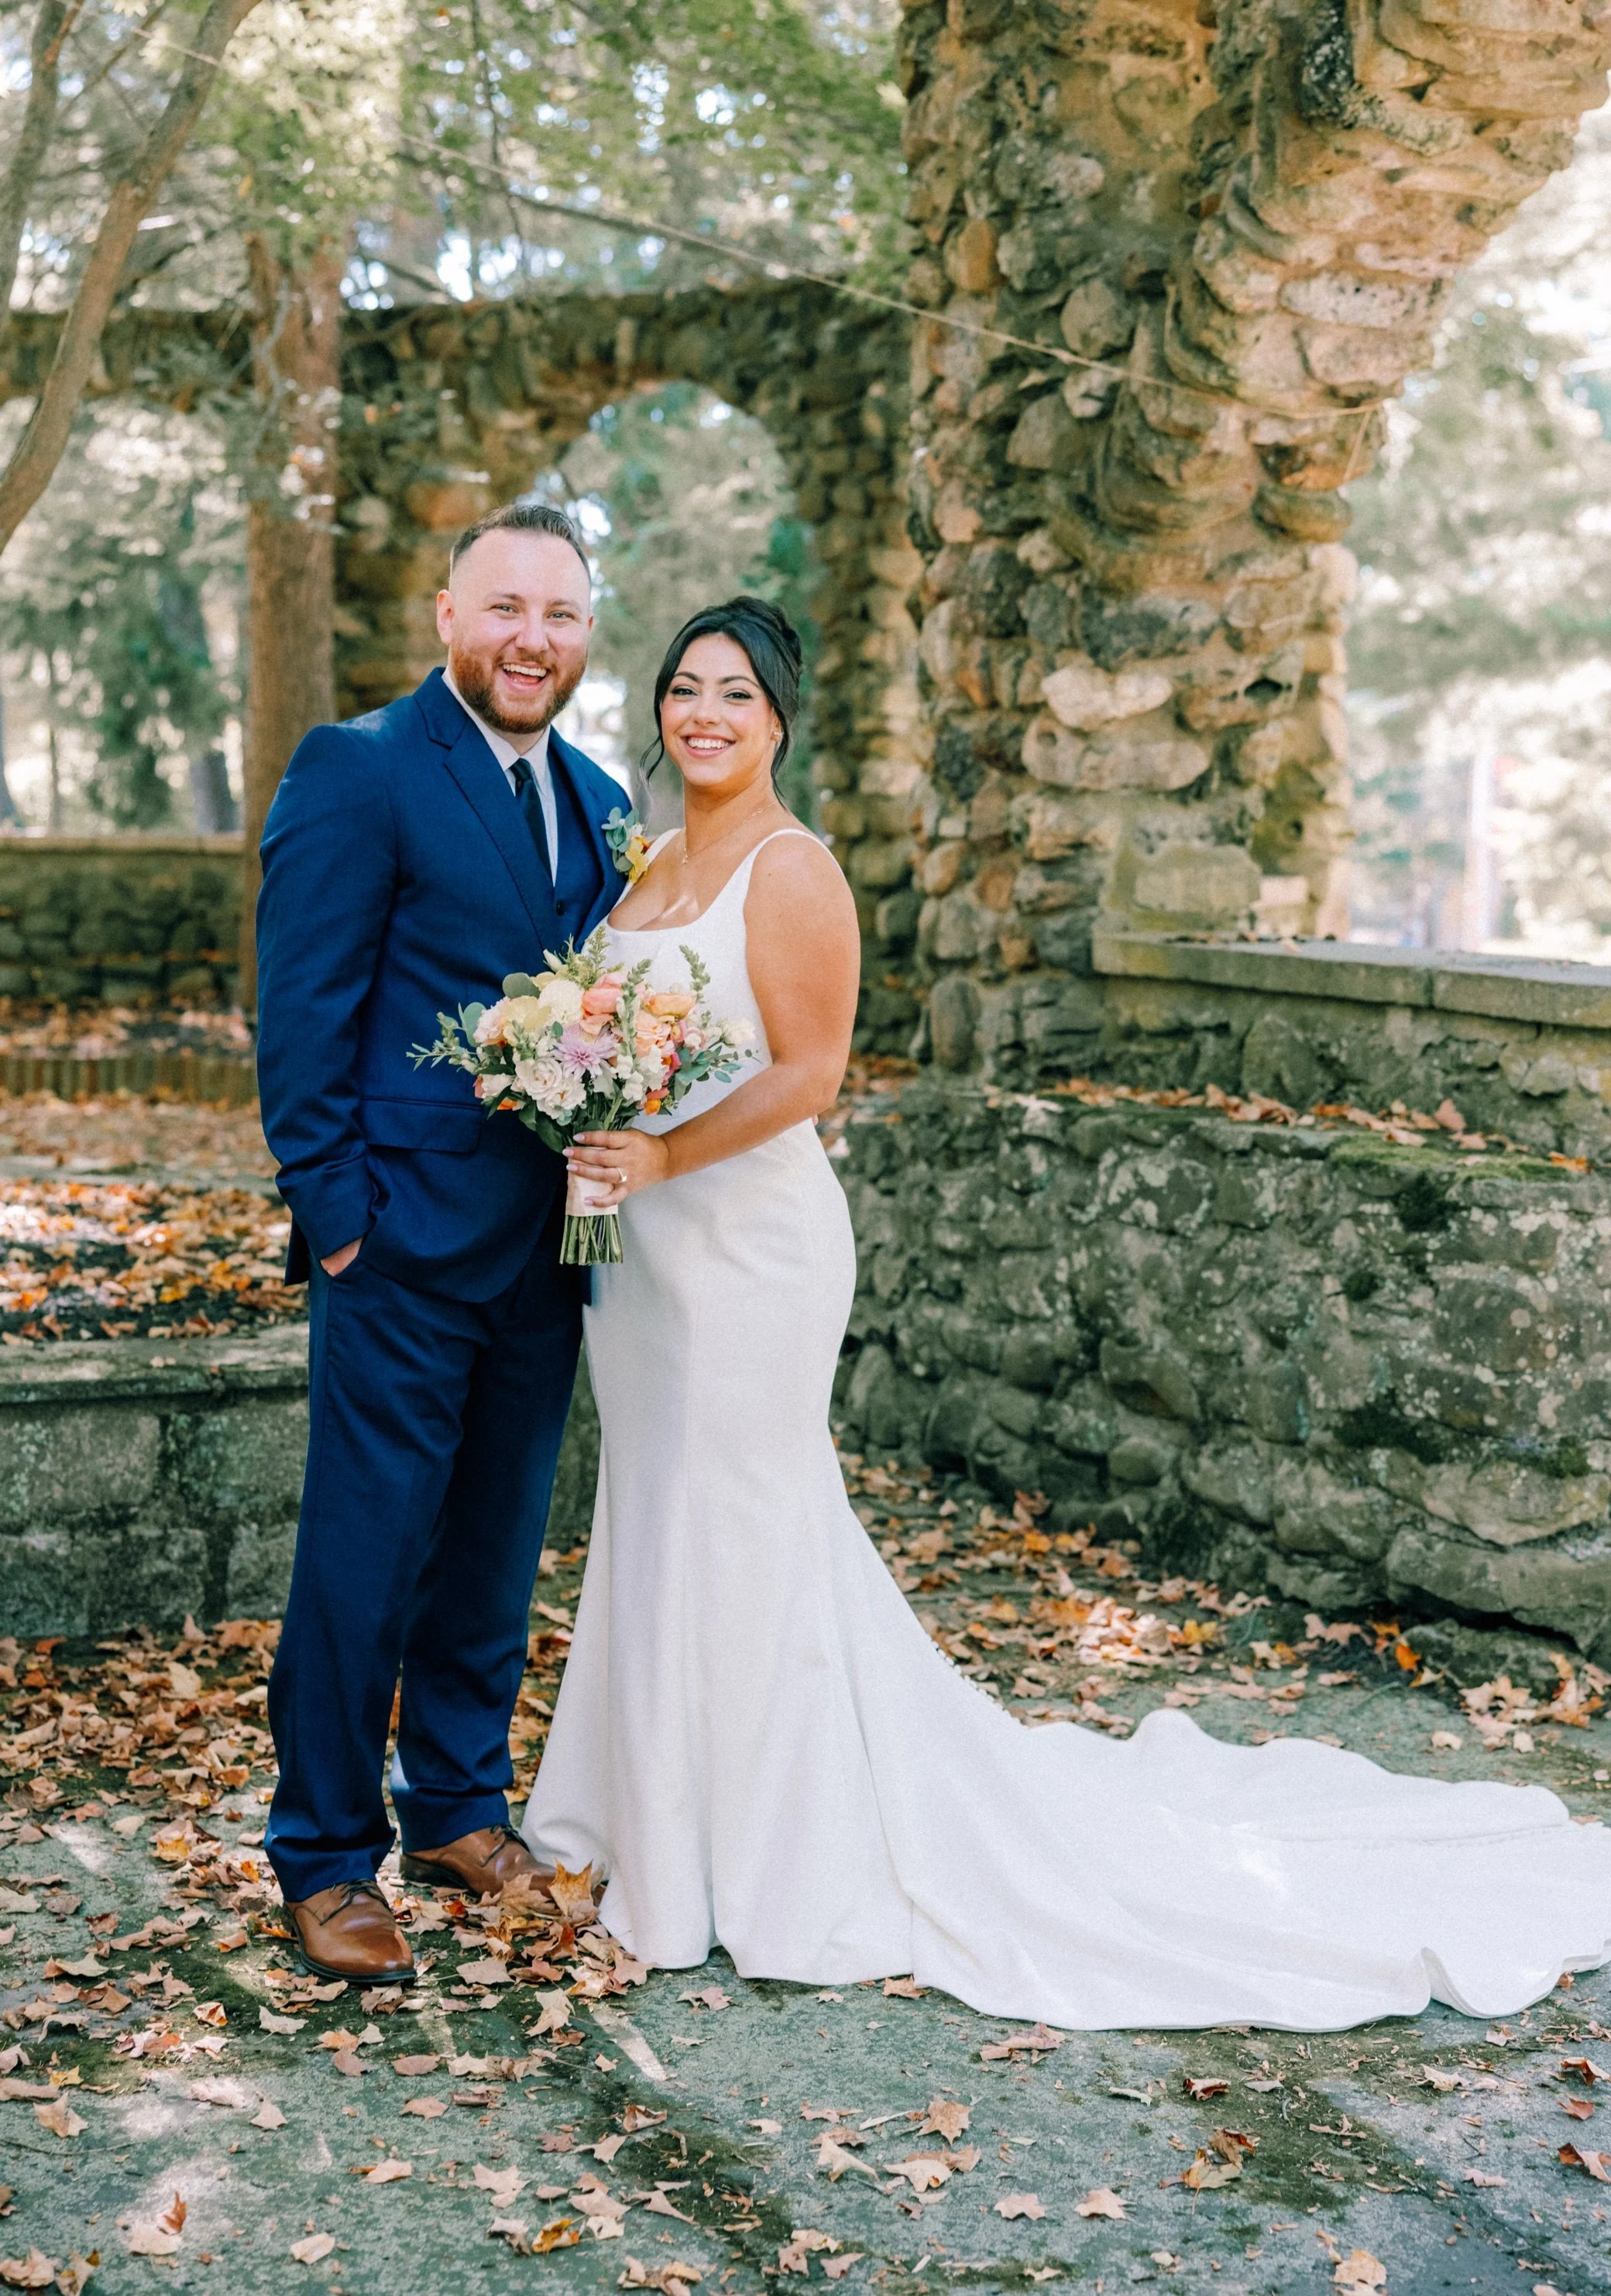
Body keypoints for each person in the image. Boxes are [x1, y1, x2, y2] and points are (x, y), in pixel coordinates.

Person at [523, 592, 1611, 2030]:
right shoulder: (651, 858)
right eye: (685, 688)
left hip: (748, 1250)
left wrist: (661, 1148)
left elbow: (811, 1075)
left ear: (781, 720)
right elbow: (608, 1034)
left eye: (736, 693)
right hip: (643, 1258)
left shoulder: (792, 871)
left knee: (744, 1516)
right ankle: (651, 1816)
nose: (705, 713)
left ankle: (766, 1851)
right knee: (661, 1508)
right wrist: (585, 1112)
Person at [256, 501, 623, 1985]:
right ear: (446, 616)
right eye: (505, 607)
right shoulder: (358, 770)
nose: (533, 638)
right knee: (365, 1552)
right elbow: (304, 1008)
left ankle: (460, 1808)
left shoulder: (601, 802)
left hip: (551, 1248)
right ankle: (326, 1855)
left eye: (562, 616)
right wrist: (339, 1218)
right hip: (399, 1244)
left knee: (493, 1542)